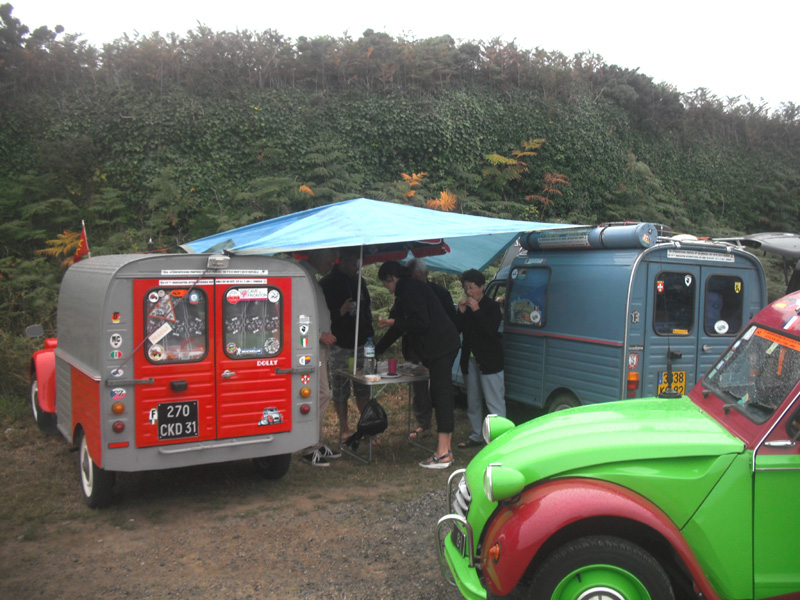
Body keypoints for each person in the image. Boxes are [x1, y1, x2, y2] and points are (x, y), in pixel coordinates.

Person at [375, 261, 460, 469]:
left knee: (441, 394)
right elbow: (399, 327)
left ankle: (443, 453)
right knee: (442, 393)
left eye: (386, 284)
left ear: (391, 278)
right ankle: (446, 449)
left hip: (441, 345)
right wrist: (377, 350)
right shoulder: (408, 289)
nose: (387, 288)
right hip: (444, 344)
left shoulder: (409, 288)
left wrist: (394, 322)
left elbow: (420, 322)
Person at [320, 246, 374, 438]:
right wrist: (340, 311)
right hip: (339, 343)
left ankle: (367, 426)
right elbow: (321, 315)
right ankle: (344, 428)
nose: (356, 267)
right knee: (340, 386)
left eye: (358, 263)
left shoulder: (360, 282)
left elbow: (367, 308)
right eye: (353, 263)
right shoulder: (327, 283)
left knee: (364, 386)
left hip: (362, 342)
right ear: (341, 261)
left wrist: (370, 332)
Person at [297, 248, 342, 467]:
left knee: (321, 393)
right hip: (309, 348)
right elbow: (296, 316)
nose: (332, 264)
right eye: (329, 259)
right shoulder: (303, 277)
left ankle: (315, 442)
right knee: (320, 393)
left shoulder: (311, 278)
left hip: (318, 348)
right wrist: (318, 335)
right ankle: (309, 446)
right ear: (318, 257)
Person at [404, 258, 456, 439]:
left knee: (440, 389)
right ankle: (423, 423)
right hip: (415, 348)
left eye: (415, 276)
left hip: (438, 348)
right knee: (419, 388)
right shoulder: (407, 293)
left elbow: (451, 320)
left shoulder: (440, 293)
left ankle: (444, 433)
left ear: (423, 275)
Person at [454, 269, 506, 448]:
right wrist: (460, 313)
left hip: (489, 361)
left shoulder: (492, 306)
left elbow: (491, 330)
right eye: (466, 288)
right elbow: (456, 331)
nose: (468, 292)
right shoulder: (465, 308)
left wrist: (476, 311)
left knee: (494, 400)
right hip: (469, 360)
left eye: (472, 288)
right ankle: (476, 435)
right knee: (473, 401)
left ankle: (500, 439)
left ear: (482, 287)